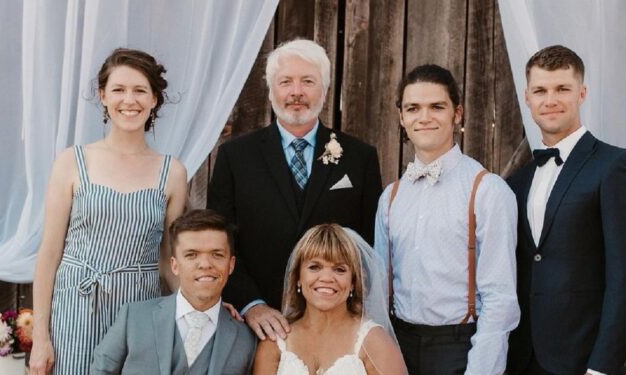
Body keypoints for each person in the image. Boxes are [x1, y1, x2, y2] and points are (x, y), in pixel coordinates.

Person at [208, 38, 382, 342]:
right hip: (254, 327)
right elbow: (219, 242)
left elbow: (369, 242)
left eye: (308, 81)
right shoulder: (235, 157)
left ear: (325, 91)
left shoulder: (360, 157)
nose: (296, 92)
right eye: (285, 81)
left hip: (334, 324)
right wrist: (251, 305)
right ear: (272, 90)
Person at [30, 48, 188, 375]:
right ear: (103, 96)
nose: (129, 100)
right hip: (75, 307)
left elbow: (168, 259)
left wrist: (201, 303)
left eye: (140, 90)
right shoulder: (71, 162)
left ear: (155, 99)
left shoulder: (172, 173)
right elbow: (49, 254)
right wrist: (41, 337)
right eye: (118, 89)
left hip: (139, 310)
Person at [506, 45, 626, 375]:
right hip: (522, 359)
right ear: (527, 97)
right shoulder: (518, 182)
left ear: (582, 93)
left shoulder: (615, 166)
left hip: (584, 361)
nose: (550, 100)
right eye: (540, 90)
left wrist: (602, 366)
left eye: (562, 89)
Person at [374, 64, 520, 374]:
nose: (424, 117)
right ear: (401, 117)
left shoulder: (487, 190)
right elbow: (379, 287)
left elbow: (500, 298)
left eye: (436, 106)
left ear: (457, 113)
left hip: (460, 349)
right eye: (413, 108)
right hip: (397, 345)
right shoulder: (391, 197)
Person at [90, 209, 255, 374]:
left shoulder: (246, 339)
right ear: (174, 265)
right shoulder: (133, 317)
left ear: (231, 265)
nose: (205, 264)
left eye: (217, 254)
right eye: (192, 255)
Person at [253, 224, 407, 375]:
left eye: (339, 269)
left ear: (353, 283)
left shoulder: (374, 341)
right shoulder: (274, 343)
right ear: (298, 278)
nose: (326, 278)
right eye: (315, 267)